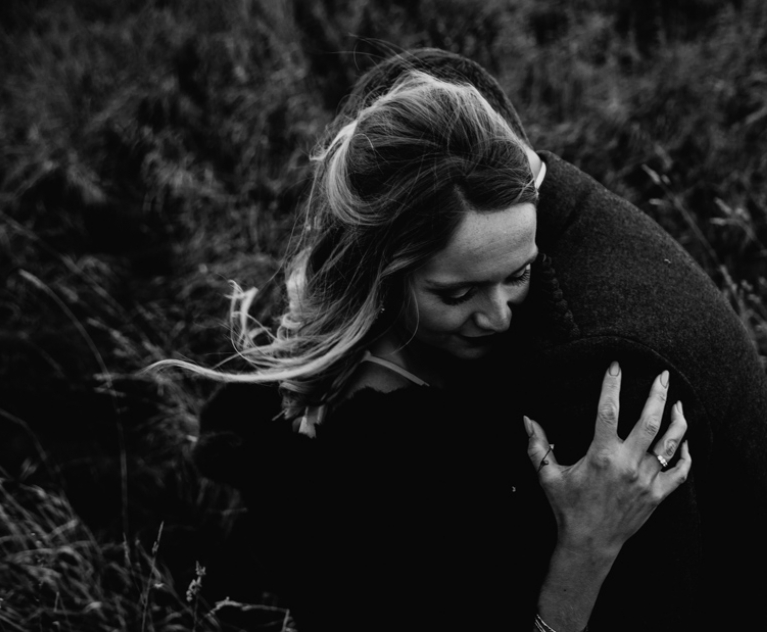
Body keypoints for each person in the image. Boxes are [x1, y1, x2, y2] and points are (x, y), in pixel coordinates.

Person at [179, 69, 693, 631]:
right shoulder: (383, 469)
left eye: (518, 274)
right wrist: (588, 545)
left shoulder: (414, 349)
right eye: (457, 292)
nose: (499, 316)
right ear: (379, 275)